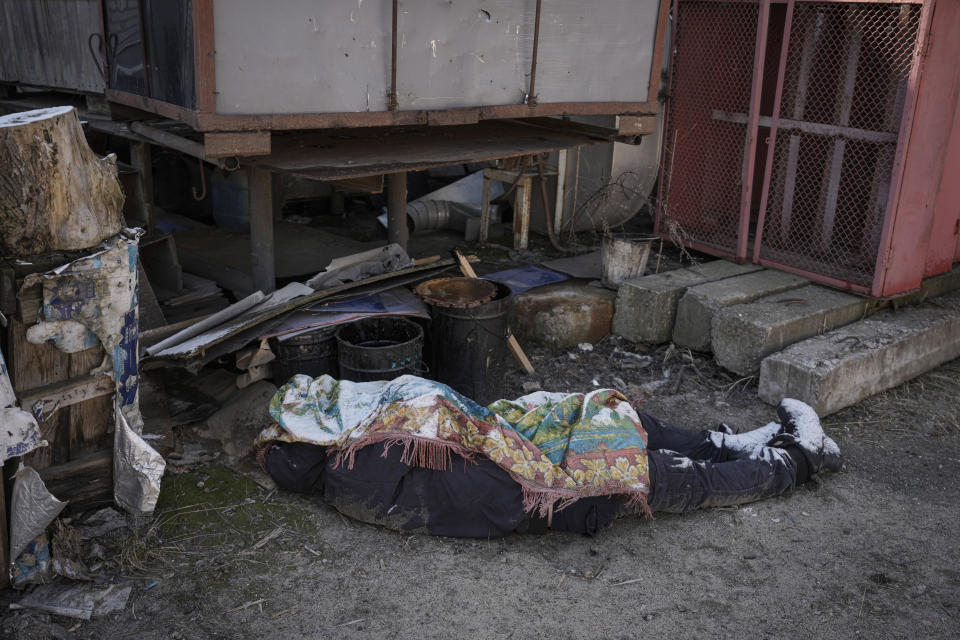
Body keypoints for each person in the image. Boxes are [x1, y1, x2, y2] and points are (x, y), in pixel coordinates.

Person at [259, 375, 841, 537]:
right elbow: (469, 472)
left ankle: (740, 442)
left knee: (601, 417)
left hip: (519, 479)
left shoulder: (354, 481)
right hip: (545, 494)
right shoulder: (375, 452)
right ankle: (797, 459)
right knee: (644, 467)